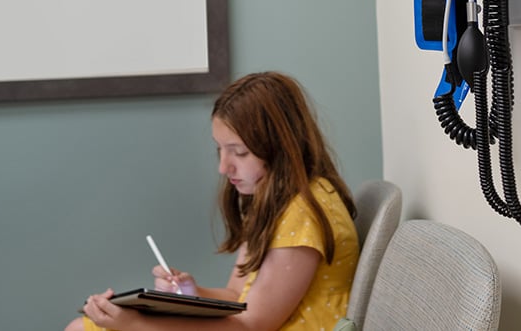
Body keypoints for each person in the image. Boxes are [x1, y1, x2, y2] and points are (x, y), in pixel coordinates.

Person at [65, 71, 360, 331]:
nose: (224, 167)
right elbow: (236, 296)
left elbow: (252, 325)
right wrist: (193, 291)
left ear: (281, 147)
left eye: (239, 152)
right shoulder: (275, 202)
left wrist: (137, 324)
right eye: (220, 150)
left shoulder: (302, 212)